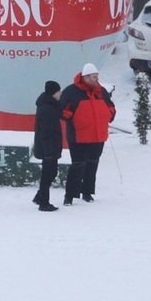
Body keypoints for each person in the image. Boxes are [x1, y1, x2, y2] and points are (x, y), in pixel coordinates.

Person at [59, 63, 116, 206]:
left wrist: (109, 115)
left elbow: (111, 106)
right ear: (85, 77)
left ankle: (87, 192)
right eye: (93, 77)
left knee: (92, 165)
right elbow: (61, 110)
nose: (96, 80)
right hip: (79, 137)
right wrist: (74, 117)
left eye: (97, 77)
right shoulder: (71, 91)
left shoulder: (101, 91)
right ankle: (70, 196)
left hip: (98, 136)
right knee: (77, 166)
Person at [32, 81, 62, 212]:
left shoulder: (50, 105)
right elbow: (45, 132)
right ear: (53, 92)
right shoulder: (47, 108)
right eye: (58, 91)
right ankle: (43, 202)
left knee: (51, 172)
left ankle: (40, 197)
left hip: (50, 146)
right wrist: (48, 151)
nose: (60, 93)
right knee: (47, 174)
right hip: (48, 148)